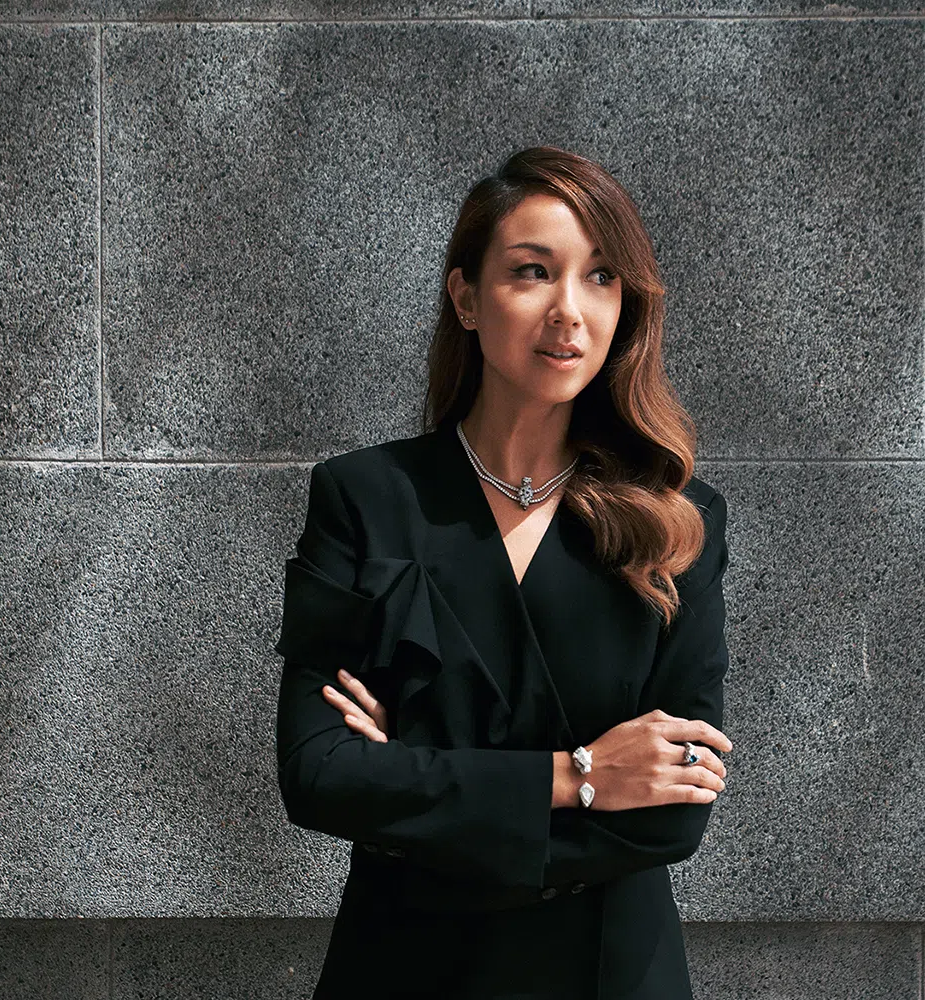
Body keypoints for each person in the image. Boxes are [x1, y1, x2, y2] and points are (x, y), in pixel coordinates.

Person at [274, 145, 733, 1000]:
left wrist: (416, 790)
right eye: (532, 271)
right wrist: (581, 776)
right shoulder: (366, 498)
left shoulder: (676, 520)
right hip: (406, 971)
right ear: (466, 297)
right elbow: (319, 775)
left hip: (608, 974)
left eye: (601, 277)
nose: (570, 311)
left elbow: (675, 813)